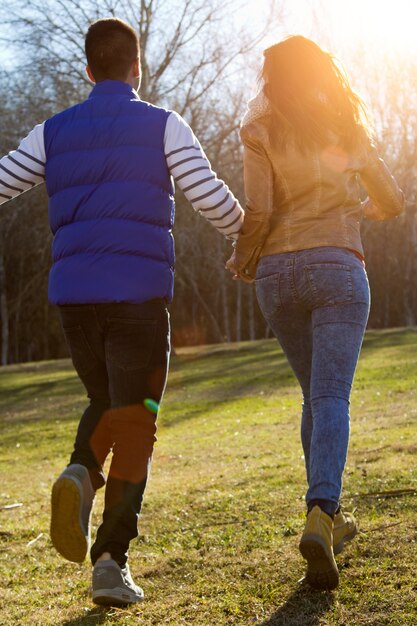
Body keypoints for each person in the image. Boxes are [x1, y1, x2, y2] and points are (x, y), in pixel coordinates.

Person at [0, 18, 243, 605]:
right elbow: (206, 192)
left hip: (74, 300)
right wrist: (249, 234)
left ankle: (82, 472)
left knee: (108, 404)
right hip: (136, 296)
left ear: (88, 71)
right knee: (137, 422)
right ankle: (110, 556)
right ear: (137, 68)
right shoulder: (163, 124)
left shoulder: (52, 131)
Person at [226, 35, 404, 590]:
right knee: (330, 397)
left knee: (314, 396)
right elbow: (393, 199)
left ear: (271, 79)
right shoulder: (345, 129)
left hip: (277, 276)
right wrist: (356, 211)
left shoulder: (259, 131)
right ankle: (322, 511)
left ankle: (326, 516)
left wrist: (243, 257)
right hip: (337, 266)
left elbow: (259, 208)